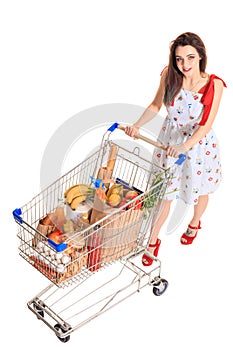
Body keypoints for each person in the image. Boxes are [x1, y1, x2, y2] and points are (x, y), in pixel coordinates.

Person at [125, 32, 226, 266]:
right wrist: (136, 126)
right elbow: (155, 104)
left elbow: (206, 125)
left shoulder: (214, 84)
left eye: (190, 57)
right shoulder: (169, 76)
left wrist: (184, 147)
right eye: (179, 59)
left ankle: (195, 222)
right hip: (169, 142)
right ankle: (152, 242)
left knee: (201, 190)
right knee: (164, 194)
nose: (185, 64)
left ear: (201, 55)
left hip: (198, 147)